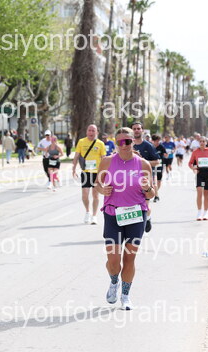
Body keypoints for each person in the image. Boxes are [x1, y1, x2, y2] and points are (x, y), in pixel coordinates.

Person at [95, 127, 155, 310]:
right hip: (113, 214)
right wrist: (102, 190)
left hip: (136, 215)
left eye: (127, 141)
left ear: (133, 141)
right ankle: (114, 281)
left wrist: (146, 188)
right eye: (120, 142)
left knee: (129, 258)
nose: (124, 145)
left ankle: (126, 296)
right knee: (113, 261)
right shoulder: (107, 162)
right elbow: (97, 184)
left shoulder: (143, 164)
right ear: (116, 143)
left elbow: (151, 194)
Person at [71, 124, 106, 224]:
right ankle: (87, 211)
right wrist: (73, 169)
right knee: (85, 195)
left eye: (93, 131)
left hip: (96, 173)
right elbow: (76, 156)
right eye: (89, 130)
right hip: (86, 172)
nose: (91, 132)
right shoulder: (81, 142)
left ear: (97, 132)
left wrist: (104, 172)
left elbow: (104, 158)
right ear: (86, 132)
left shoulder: (100, 144)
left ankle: (94, 216)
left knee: (95, 195)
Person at [132, 122, 160, 230]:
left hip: (145, 179)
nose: (136, 130)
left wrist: (142, 162)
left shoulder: (148, 146)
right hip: (131, 179)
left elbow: (157, 161)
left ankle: (147, 218)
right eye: (134, 128)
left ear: (142, 131)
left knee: (145, 204)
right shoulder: (128, 145)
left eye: (138, 128)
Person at [189, 136, 208, 221]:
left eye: (203, 141)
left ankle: (205, 213)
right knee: (199, 192)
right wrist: (193, 169)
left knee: (206, 194)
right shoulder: (195, 152)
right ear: (199, 142)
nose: (202, 143)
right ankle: (199, 213)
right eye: (200, 141)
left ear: (206, 142)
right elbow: (190, 163)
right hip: (199, 173)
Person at [151, 135, 167, 203]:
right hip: (153, 165)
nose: (158, 142)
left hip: (160, 165)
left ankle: (155, 192)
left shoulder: (161, 146)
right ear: (153, 141)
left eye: (158, 141)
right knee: (154, 180)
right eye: (156, 141)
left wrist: (166, 155)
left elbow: (165, 154)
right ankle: (156, 195)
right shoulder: (150, 147)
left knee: (159, 180)